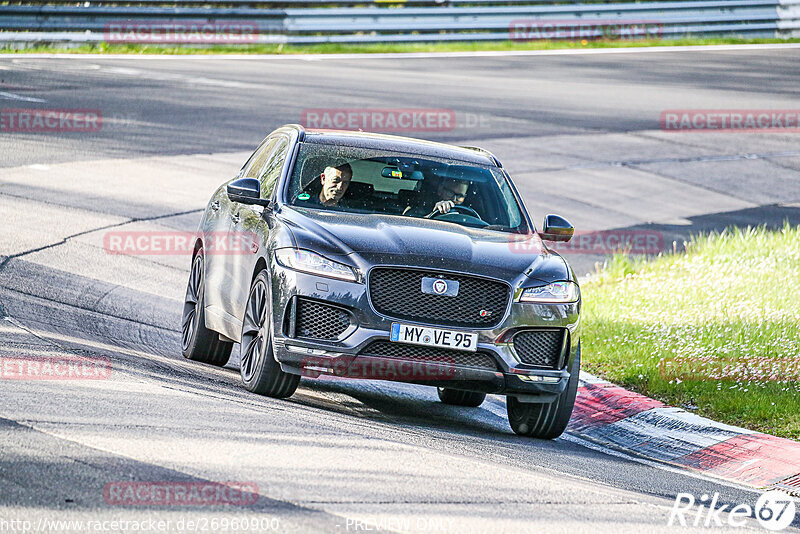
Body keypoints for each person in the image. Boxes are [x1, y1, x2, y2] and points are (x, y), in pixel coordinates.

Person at [404, 178, 469, 217]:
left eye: (460, 196)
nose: (454, 199)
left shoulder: (469, 215)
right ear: (440, 190)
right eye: (450, 193)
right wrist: (434, 213)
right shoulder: (421, 209)